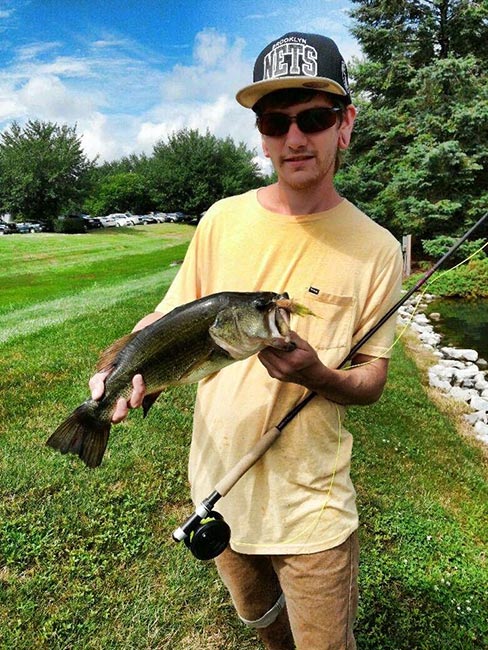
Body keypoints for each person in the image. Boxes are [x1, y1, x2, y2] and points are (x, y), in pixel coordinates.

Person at [91, 32, 403, 650]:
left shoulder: (378, 248)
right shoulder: (221, 219)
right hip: (216, 486)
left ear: (345, 125)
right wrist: (118, 371)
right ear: (260, 133)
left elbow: (371, 380)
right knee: (262, 623)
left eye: (314, 118)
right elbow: (167, 319)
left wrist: (318, 376)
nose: (294, 138)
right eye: (274, 120)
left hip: (311, 508)